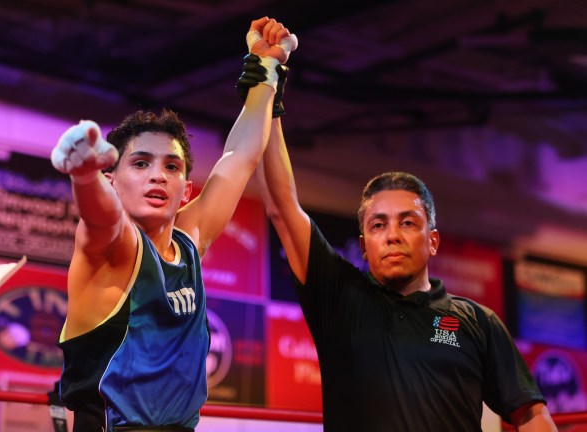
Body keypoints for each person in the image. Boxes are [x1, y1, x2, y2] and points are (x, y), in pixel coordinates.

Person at [238, 58, 558, 430]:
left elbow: (531, 415)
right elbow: (281, 206)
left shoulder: (477, 323)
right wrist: (268, 88)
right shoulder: (340, 297)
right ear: (362, 243)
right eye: (378, 225)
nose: (392, 235)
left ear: (432, 240)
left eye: (408, 222)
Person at [49, 17, 297, 432]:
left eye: (171, 166)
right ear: (113, 179)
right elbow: (101, 218)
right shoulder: (112, 248)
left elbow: (241, 156)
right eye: (141, 163)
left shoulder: (191, 238)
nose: (157, 176)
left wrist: (266, 68)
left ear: (186, 190)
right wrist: (84, 175)